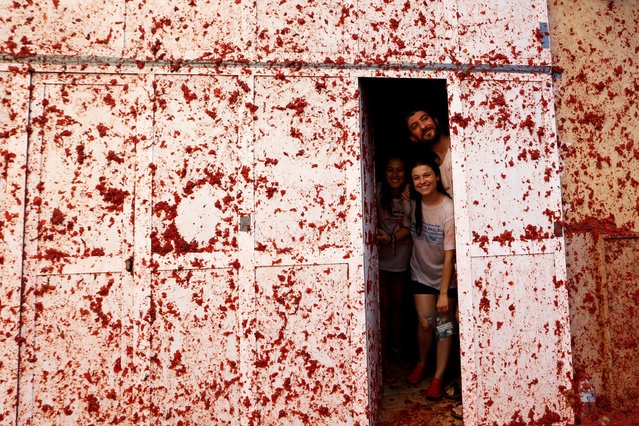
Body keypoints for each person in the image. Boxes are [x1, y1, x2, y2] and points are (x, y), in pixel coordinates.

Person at [404, 157, 456, 402]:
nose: (422, 181)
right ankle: (422, 362)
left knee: (443, 328)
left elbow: (449, 255)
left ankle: (438, 377)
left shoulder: (448, 208)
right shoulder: (412, 203)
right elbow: (407, 228)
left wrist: (444, 292)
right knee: (426, 323)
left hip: (446, 277)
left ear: (436, 177)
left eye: (426, 175)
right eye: (416, 177)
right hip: (421, 273)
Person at [376, 155, 411, 379]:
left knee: (398, 304)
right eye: (390, 170)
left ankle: (397, 348)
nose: (395, 175)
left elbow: (410, 226)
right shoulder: (377, 191)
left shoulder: (410, 195)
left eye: (400, 170)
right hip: (379, 255)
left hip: (401, 254)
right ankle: (382, 353)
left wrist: (390, 237)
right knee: (384, 306)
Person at [406, 109, 453, 198]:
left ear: (436, 121)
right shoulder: (434, 167)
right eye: (415, 126)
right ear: (413, 138)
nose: (423, 126)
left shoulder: (461, 145)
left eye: (424, 119)